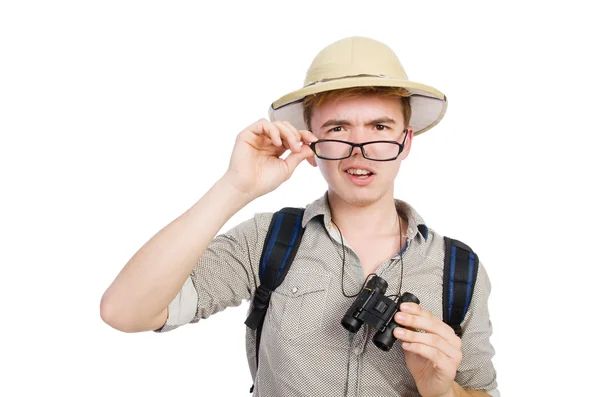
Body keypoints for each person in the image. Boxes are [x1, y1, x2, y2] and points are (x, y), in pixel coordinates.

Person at [100, 36, 499, 397]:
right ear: (311, 142)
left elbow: (483, 390)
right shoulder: (270, 239)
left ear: (405, 140)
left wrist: (445, 392)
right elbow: (125, 311)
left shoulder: (457, 270)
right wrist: (236, 187)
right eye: (338, 129)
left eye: (379, 126)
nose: (359, 148)